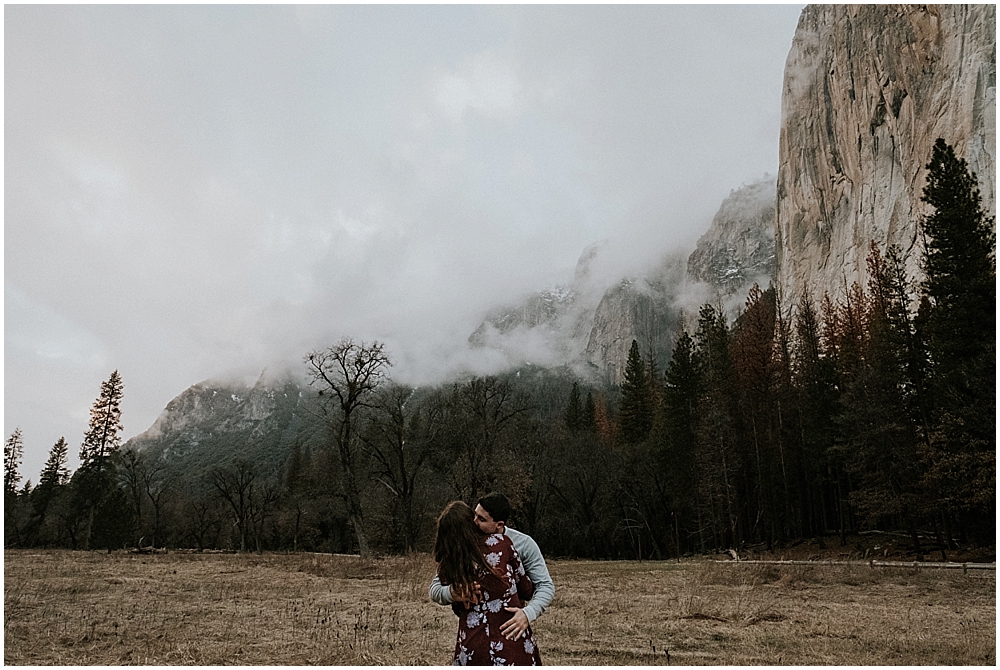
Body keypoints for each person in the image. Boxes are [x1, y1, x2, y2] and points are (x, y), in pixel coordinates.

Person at [430, 493, 555, 642]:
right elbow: (435, 588)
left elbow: (545, 585)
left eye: (481, 519)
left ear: (499, 524)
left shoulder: (523, 544)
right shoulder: (467, 543)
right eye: (474, 515)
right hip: (474, 634)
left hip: (509, 629)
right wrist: (452, 593)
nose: (474, 522)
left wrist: (528, 614)